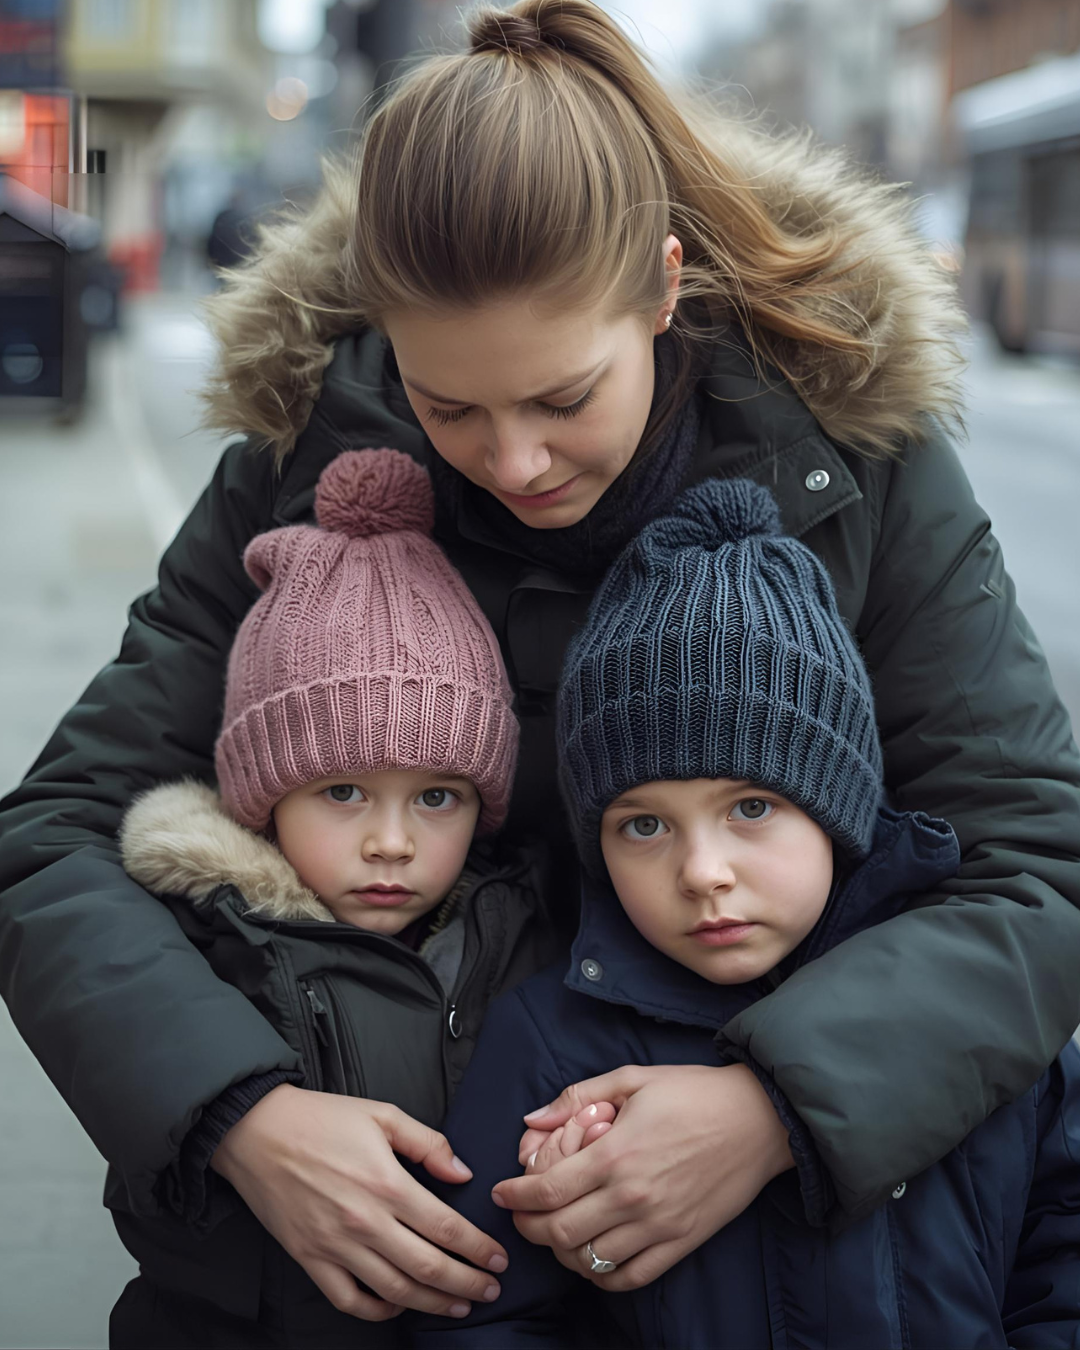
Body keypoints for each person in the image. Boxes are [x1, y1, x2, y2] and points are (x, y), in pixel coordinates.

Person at [1, 0, 1078, 1328]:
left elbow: (1038, 864)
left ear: (664, 289)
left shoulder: (852, 465)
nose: (513, 462)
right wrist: (237, 1112)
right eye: (447, 405)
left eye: (564, 399)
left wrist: (780, 1106)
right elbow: (52, 839)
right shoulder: (303, 461)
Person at [413, 477, 1080, 1349]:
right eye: (643, 825)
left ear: (838, 809)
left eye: (752, 808)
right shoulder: (548, 1048)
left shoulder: (977, 1026)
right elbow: (482, 1316)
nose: (702, 873)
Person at [111, 447, 556, 1346]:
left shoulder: (527, 937)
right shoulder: (199, 953)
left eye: (438, 797)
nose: (392, 841)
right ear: (263, 799)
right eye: (343, 792)